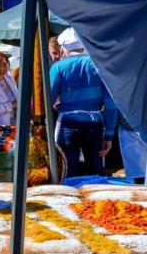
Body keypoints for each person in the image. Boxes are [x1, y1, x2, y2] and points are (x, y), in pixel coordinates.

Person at [50, 28, 117, 178]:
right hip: (94, 124)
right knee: (96, 172)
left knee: (68, 171)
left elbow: (48, 99)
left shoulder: (57, 67)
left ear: (64, 48)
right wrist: (109, 135)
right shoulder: (98, 65)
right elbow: (111, 103)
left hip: (67, 124)